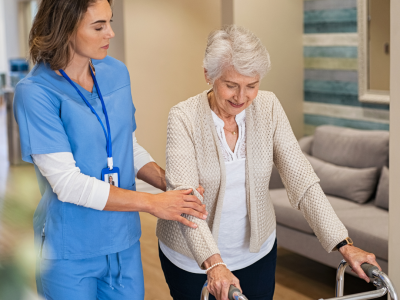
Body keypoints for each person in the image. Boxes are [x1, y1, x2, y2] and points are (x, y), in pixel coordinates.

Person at [156, 25, 380, 300]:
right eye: (231, 85)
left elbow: (302, 180)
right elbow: (186, 201)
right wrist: (214, 262)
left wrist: (343, 243)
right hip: (192, 260)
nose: (242, 97)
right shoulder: (183, 117)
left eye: (252, 85)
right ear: (208, 75)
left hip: (256, 253)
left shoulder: (269, 107)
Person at [13, 0, 207, 299]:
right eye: (98, 26)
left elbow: (125, 145)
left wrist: (170, 184)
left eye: (110, 22)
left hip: (123, 243)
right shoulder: (35, 92)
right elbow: (66, 183)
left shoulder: (116, 73)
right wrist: (153, 203)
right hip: (70, 251)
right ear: (65, 29)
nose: (110, 34)